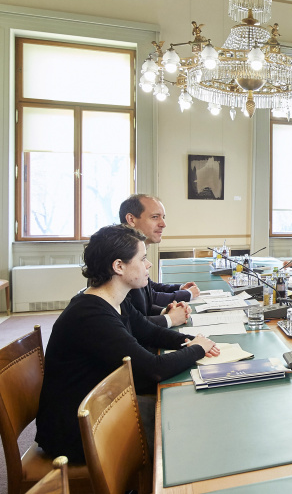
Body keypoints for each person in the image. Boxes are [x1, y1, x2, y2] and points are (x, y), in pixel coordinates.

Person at [36, 224, 219, 463]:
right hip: (77, 430)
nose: (148, 265)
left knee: (183, 411)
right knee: (185, 427)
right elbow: (152, 370)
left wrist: (191, 340)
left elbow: (151, 333)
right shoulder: (91, 314)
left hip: (100, 407)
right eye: (142, 258)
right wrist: (197, 349)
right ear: (119, 266)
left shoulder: (115, 299)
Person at [119, 194, 198, 327]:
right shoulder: (121, 256)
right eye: (155, 217)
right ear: (131, 219)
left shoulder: (133, 250)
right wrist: (169, 318)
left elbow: (145, 300)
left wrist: (164, 312)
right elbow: (128, 324)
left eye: (163, 217)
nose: (163, 224)